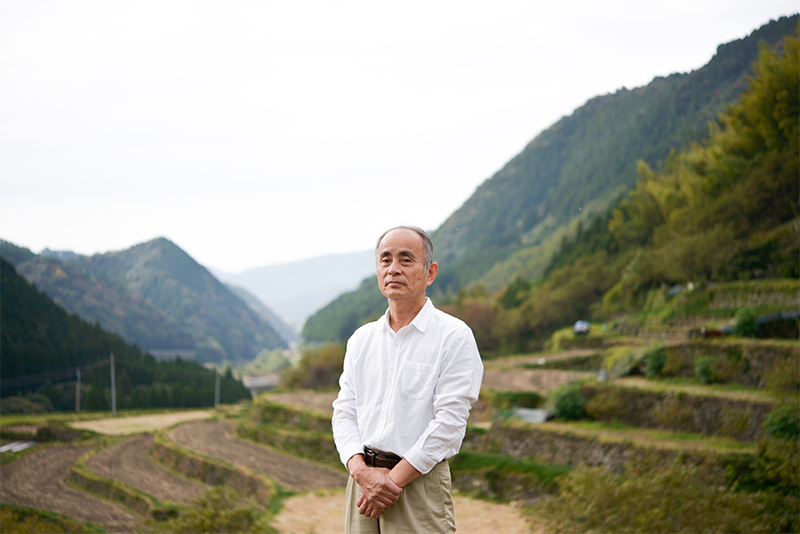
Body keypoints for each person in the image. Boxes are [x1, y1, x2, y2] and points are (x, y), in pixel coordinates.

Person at [332, 225, 484, 533]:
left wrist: (391, 481)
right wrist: (360, 471)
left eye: (406, 259)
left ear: (430, 272)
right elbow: (344, 411)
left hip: (417, 483)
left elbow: (450, 424)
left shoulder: (453, 336)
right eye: (385, 259)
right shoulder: (361, 340)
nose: (393, 269)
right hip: (361, 483)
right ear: (377, 270)